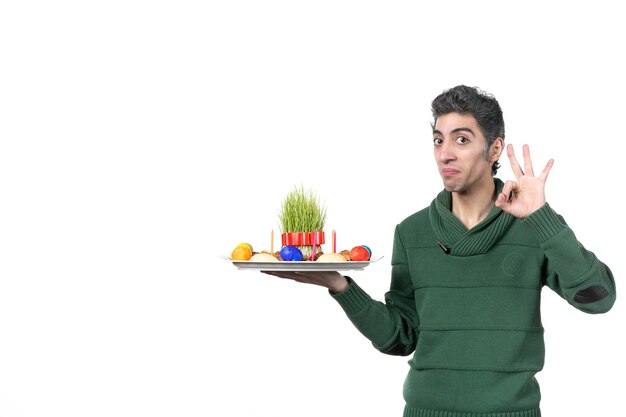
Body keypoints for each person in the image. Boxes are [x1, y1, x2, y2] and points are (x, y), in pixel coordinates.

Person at [263, 85, 616, 417]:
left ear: (494, 149)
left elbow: (598, 299)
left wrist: (543, 219)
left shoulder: (536, 227)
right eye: (438, 140)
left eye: (461, 139)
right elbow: (400, 338)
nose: (445, 153)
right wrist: (340, 287)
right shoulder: (411, 231)